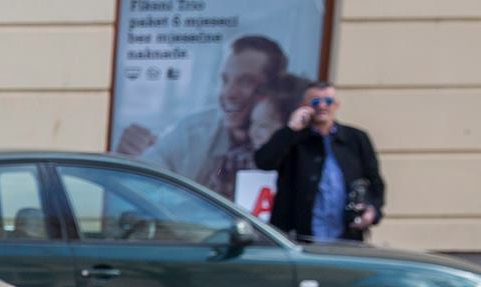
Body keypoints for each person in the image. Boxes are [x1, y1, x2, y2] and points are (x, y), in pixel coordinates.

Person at [115, 33, 287, 192]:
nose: (229, 93)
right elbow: (142, 182)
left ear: (273, 89)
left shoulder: (288, 138)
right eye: (225, 80)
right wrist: (128, 161)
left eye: (245, 82)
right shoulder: (193, 132)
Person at [254, 82, 385, 242]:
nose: (322, 106)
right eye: (315, 101)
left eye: (328, 101)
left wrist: (372, 211)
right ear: (304, 105)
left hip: (347, 236)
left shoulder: (356, 138)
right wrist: (290, 130)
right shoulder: (293, 138)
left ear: (336, 105)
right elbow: (264, 162)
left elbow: (375, 181)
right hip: (300, 237)